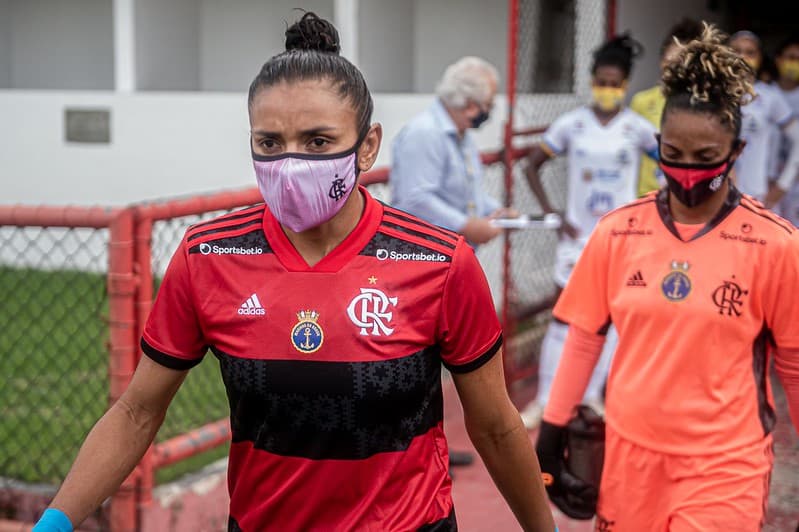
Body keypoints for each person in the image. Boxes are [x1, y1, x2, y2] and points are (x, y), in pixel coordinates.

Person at [31, 13, 556, 532]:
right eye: (269, 143)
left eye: (318, 141)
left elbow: (495, 427)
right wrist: (53, 524)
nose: (290, 164)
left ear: (367, 146)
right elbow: (136, 412)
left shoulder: (441, 263)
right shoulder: (207, 256)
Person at [535, 24, 799, 529]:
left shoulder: (776, 244)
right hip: (629, 458)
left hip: (726, 464)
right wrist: (551, 434)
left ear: (736, 151)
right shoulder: (618, 231)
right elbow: (585, 337)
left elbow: (794, 363)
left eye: (707, 158)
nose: (688, 172)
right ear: (658, 147)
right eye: (673, 156)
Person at [519, 34, 658, 430]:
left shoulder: (637, 128)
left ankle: (593, 397)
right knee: (563, 318)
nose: (607, 89)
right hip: (577, 239)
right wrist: (553, 212)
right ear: (592, 81)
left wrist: (651, 211)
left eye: (615, 83)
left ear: (625, 84)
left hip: (622, 241)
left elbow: (671, 165)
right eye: (601, 81)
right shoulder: (572, 124)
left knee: (610, 319)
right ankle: (545, 401)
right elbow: (532, 164)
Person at [390, 57, 514, 246]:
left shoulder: (462, 135)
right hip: (422, 250)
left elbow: (468, 195)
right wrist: (466, 226)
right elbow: (416, 199)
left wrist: (498, 213)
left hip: (448, 249)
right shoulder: (425, 133)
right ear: (470, 105)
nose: (490, 111)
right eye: (489, 105)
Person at [631, 18, 704, 196]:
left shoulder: (704, 104)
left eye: (680, 62)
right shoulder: (641, 101)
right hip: (646, 195)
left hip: (685, 196)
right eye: (668, 60)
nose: (672, 68)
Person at [728, 30, 799, 207]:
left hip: (757, 197)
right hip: (719, 196)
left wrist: (782, 185)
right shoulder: (714, 94)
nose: (742, 57)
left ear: (760, 58)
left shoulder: (769, 96)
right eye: (736, 51)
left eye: (750, 52)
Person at [775, 34, 799, 226]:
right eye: (791, 58)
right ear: (779, 60)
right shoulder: (764, 94)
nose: (794, 64)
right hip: (766, 180)